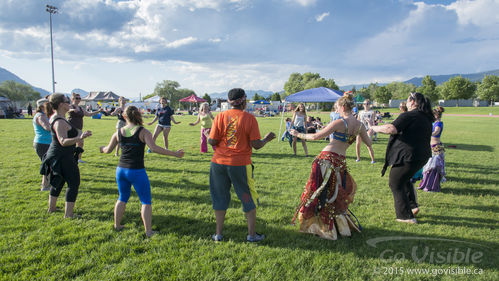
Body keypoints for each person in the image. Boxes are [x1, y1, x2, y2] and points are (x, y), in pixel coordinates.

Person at [289, 93, 370, 240]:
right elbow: (369, 143)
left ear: (343, 106)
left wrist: (297, 134)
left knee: (320, 193)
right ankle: (334, 226)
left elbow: (315, 136)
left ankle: (322, 227)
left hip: (325, 160)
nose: (337, 109)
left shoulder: (340, 122)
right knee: (333, 194)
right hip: (340, 162)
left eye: (337, 107)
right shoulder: (360, 126)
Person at [100, 106, 184, 237]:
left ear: (124, 116)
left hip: (121, 170)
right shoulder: (144, 132)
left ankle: (117, 225)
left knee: (122, 198)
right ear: (138, 115)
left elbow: (108, 150)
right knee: (145, 201)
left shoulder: (118, 132)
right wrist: (175, 154)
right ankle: (148, 232)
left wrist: (102, 149)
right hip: (136, 171)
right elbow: (154, 148)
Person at [208, 88, 275, 242]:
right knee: (247, 197)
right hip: (240, 165)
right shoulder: (249, 118)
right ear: (243, 101)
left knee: (219, 197)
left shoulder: (220, 116)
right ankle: (251, 235)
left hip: (218, 163)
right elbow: (256, 145)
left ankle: (218, 234)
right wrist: (266, 139)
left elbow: (212, 141)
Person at [371, 92, 434, 224]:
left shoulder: (410, 115)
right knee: (404, 179)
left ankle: (405, 216)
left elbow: (391, 128)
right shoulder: (425, 116)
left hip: (410, 155)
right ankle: (412, 206)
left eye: (407, 100)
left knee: (395, 182)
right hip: (421, 155)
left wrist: (373, 128)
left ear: (412, 102)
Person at [40, 93, 93, 218]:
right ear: (60, 104)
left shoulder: (58, 117)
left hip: (58, 154)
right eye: (66, 101)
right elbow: (63, 141)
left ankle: (51, 208)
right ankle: (69, 214)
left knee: (58, 180)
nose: (69, 103)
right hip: (62, 156)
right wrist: (79, 137)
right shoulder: (59, 121)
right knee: (74, 182)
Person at [68, 92, 101, 163]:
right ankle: (70, 158)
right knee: (72, 144)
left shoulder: (80, 108)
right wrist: (73, 110)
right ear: (73, 99)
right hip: (71, 128)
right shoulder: (71, 106)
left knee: (81, 143)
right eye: (77, 98)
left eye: (80, 98)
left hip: (79, 128)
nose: (79, 99)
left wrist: (98, 111)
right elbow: (67, 110)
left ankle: (78, 158)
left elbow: (88, 114)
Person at [418, 106, 446, 192]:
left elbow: (436, 131)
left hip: (436, 147)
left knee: (432, 168)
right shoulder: (433, 122)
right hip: (431, 147)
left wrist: (428, 133)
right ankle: (425, 184)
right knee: (427, 167)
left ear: (437, 115)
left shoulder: (439, 123)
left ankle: (431, 186)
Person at [32, 98, 52, 191]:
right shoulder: (40, 116)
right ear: (42, 105)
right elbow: (47, 127)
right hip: (43, 143)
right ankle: (45, 186)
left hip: (46, 142)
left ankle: (48, 184)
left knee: (49, 164)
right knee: (47, 165)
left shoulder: (44, 115)